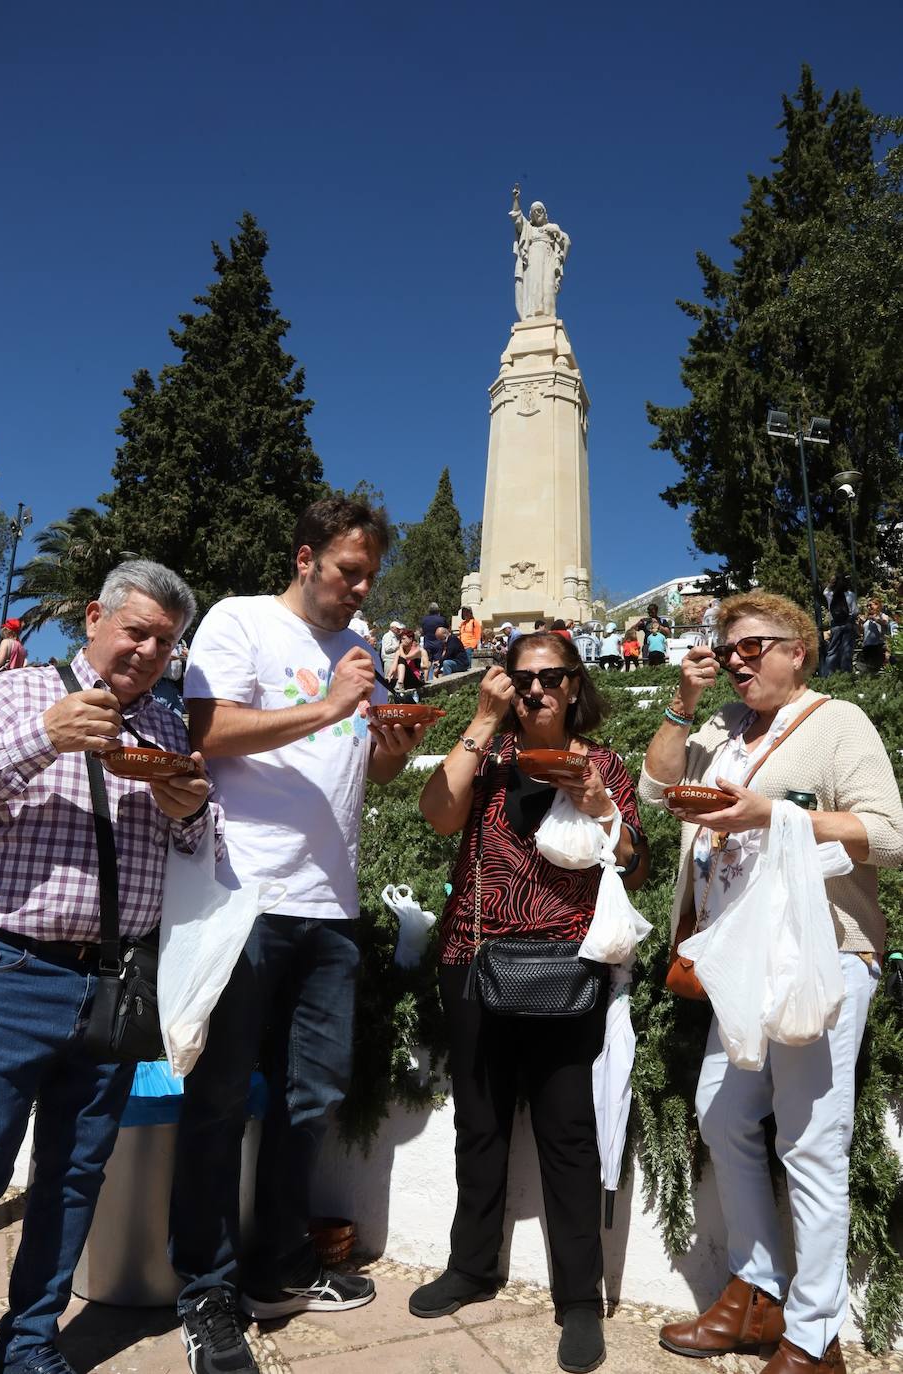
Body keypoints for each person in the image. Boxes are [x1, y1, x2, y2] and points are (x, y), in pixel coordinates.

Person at [172, 496, 431, 1374]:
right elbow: (206, 733)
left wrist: (388, 740)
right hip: (242, 898)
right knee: (215, 1105)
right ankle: (204, 1291)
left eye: (370, 575)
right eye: (346, 570)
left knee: (307, 1101)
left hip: (332, 909)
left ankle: (278, 1265)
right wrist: (328, 707)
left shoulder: (358, 660)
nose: (360, 588)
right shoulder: (240, 622)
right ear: (305, 555)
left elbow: (369, 770)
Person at [640, 591, 903, 1374]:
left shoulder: (837, 723)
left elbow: (889, 834)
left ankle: (816, 1338)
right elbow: (658, 791)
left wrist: (779, 816)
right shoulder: (722, 725)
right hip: (738, 961)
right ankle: (758, 1292)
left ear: (800, 648)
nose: (737, 660)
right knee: (722, 1120)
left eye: (754, 645)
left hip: (820, 958)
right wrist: (683, 707)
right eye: (729, 649)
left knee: (812, 1146)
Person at [0, 561, 217, 1374]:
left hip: (117, 984)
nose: (150, 652)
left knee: (73, 1177)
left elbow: (195, 846)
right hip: (10, 973)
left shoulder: (164, 725)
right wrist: (43, 737)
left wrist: (192, 816)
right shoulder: (15, 694)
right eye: (138, 632)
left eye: (166, 642)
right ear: (95, 618)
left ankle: (26, 1350)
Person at [410, 632, 648, 1374]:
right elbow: (438, 815)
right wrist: (481, 723)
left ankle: (578, 1299)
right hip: (473, 956)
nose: (538, 689)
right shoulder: (489, 754)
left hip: (564, 965)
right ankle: (472, 1265)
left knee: (568, 1130)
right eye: (523, 677)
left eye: (551, 678)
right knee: (478, 1123)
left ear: (576, 684)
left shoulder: (602, 762)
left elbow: (635, 864)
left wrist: (602, 806)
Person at [510, 184, 571, 320]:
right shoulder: (529, 228)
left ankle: (548, 316)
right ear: (531, 214)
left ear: (544, 213)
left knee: (548, 287)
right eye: (534, 211)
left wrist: (557, 234)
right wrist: (516, 199)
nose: (537, 213)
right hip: (532, 259)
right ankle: (531, 316)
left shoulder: (552, 227)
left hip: (548, 258)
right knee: (533, 286)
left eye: (540, 210)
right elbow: (517, 218)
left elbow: (566, 242)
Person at [821, 573, 857, 677]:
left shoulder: (831, 594)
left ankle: (829, 677)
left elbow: (825, 591)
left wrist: (831, 582)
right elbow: (854, 612)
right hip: (847, 624)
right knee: (846, 651)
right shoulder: (850, 595)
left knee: (832, 651)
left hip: (835, 625)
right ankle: (846, 677)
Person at [389, 627, 427, 694]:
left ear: (410, 639)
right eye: (401, 639)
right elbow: (394, 667)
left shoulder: (418, 650)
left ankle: (400, 683)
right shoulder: (399, 652)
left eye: (404, 639)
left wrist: (400, 647)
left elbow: (405, 657)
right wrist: (389, 676)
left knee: (401, 659)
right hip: (405, 680)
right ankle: (400, 683)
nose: (401, 641)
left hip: (415, 679)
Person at [858, 596, 889, 674]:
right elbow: (861, 632)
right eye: (868, 606)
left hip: (877, 646)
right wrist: (860, 623)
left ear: (878, 605)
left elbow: (885, 623)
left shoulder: (883, 616)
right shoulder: (867, 619)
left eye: (871, 605)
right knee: (865, 670)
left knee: (874, 669)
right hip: (866, 646)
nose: (869, 607)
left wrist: (875, 619)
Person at [421, 602, 448, 679]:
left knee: (427, 662)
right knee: (437, 662)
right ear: (437, 610)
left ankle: (425, 679)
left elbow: (423, 631)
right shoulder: (442, 619)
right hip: (438, 644)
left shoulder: (424, 620)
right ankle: (436, 680)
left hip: (427, 643)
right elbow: (446, 630)